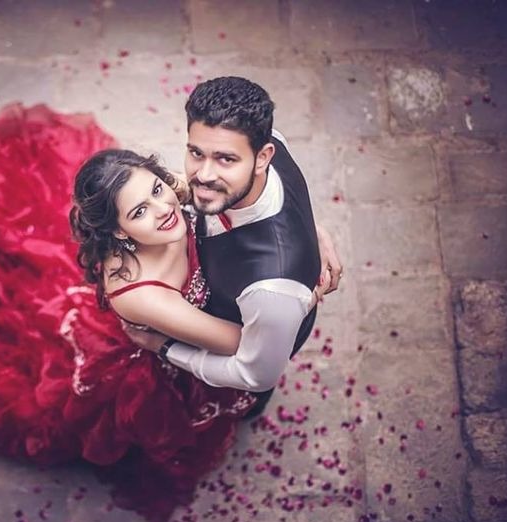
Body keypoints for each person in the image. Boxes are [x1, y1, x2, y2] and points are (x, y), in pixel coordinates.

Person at [0, 104, 262, 522]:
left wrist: (301, 230)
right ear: (119, 232)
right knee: (232, 392)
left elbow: (240, 188)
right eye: (138, 212)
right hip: (169, 358)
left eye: (157, 189)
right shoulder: (141, 294)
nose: (162, 209)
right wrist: (285, 293)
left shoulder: (167, 200)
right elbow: (238, 342)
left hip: (198, 317)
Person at [123, 76, 343, 417]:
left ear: (263, 157)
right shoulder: (273, 141)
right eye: (196, 153)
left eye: (226, 159)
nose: (204, 175)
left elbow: (254, 375)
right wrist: (315, 230)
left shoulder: (271, 291)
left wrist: (166, 348)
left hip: (255, 330)